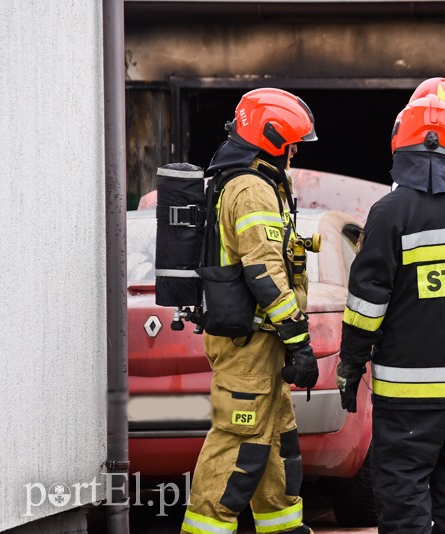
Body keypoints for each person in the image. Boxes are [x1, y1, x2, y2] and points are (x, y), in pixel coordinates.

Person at [334, 94, 445, 533]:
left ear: (400, 147)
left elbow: (366, 304)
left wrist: (350, 363)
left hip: (407, 395)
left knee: (403, 493)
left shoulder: (389, 214)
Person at [181, 88, 319, 534]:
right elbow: (263, 271)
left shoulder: (254, 182)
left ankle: (283, 527)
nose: (295, 152)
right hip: (250, 344)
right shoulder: (251, 188)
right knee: (237, 449)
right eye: (292, 143)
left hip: (263, 343)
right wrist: (298, 337)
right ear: (273, 138)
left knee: (277, 445)